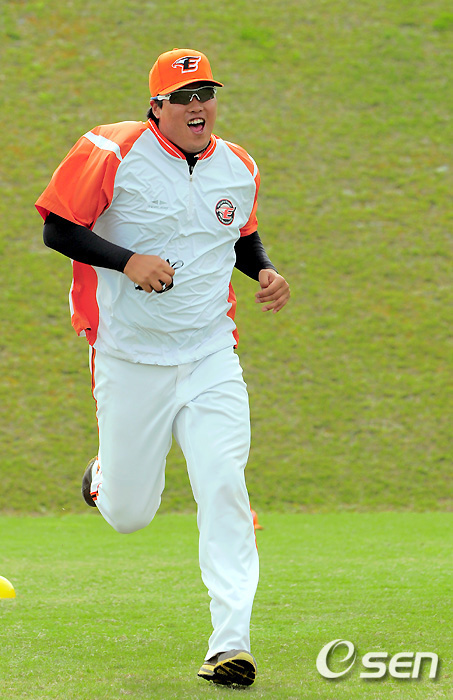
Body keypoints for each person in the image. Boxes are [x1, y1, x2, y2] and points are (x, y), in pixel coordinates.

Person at [35, 48, 290, 687]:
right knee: (130, 514)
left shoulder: (239, 165)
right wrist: (128, 261)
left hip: (210, 354)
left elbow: (238, 235)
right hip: (130, 357)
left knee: (224, 485)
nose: (197, 106)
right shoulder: (112, 149)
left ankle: (231, 644)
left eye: (205, 93)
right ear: (157, 106)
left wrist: (263, 270)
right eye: (183, 97)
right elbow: (58, 228)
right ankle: (103, 479)